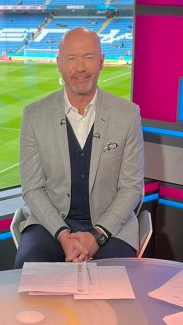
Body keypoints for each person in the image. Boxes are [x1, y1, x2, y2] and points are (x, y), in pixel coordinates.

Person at [14, 27, 144, 266]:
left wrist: (97, 235)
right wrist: (63, 235)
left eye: (89, 57)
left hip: (110, 228)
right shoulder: (34, 115)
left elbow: (132, 188)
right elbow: (32, 188)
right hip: (49, 226)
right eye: (71, 58)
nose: (80, 67)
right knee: (28, 274)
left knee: (114, 285)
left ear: (102, 62)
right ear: (59, 64)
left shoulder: (127, 114)